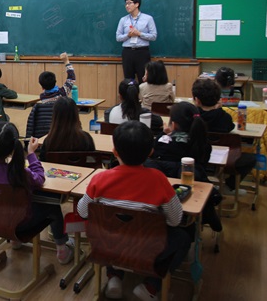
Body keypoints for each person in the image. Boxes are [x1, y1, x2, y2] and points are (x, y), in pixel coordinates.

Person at [77, 121, 190, 301]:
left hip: (108, 246)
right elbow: (175, 220)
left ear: (115, 152)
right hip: (147, 249)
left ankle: (113, 276)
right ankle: (151, 285)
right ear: (150, 152)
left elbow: (82, 212)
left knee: (112, 229)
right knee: (183, 237)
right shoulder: (159, 180)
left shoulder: (100, 179)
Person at [0, 121, 75, 262]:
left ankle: (15, 241)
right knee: (53, 207)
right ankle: (62, 250)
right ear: (13, 147)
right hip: (20, 223)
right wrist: (31, 154)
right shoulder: (20, 173)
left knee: (11, 201)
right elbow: (40, 179)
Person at [145, 101, 222, 232]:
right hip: (194, 192)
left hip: (164, 194)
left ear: (173, 124)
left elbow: (154, 153)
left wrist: (164, 134)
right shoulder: (203, 144)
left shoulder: (162, 141)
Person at [192, 78, 256, 196]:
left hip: (198, 158)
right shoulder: (224, 117)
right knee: (251, 158)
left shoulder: (193, 116)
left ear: (197, 100)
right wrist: (219, 109)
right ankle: (228, 186)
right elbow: (230, 127)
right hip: (224, 159)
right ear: (218, 99)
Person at [25, 52, 75, 139]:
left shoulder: (41, 103)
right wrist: (66, 61)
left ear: (42, 87)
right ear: (55, 82)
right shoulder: (63, 93)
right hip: (62, 137)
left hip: (44, 140)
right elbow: (71, 77)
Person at [116, 0, 157, 83]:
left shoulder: (148, 18)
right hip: (128, 52)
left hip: (142, 52)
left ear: (137, 4)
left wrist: (139, 34)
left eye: (129, 3)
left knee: (144, 79)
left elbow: (153, 36)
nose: (127, 6)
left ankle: (143, 97)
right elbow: (118, 37)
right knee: (128, 81)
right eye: (126, 4)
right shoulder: (123, 20)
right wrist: (128, 35)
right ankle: (130, 97)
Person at [40, 97, 95, 161]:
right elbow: (93, 161)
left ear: (55, 116)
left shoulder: (49, 141)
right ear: (76, 114)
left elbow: (43, 164)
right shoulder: (86, 139)